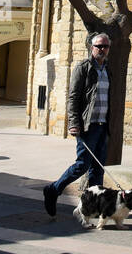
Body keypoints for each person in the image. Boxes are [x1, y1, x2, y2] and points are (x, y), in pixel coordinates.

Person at [42, 33, 112, 218]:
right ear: (92, 47)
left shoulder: (108, 69)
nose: (102, 49)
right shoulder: (83, 68)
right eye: (99, 46)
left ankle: (93, 207)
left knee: (97, 169)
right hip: (88, 126)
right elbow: (73, 98)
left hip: (103, 124)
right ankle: (53, 189)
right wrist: (74, 123)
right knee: (82, 165)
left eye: (105, 46)